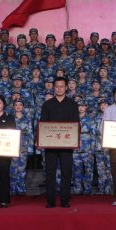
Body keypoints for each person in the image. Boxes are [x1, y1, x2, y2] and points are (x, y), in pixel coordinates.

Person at [39, 76, 79, 208]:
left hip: (67, 145)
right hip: (50, 144)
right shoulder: (47, 104)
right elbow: (43, 124)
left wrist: (75, 140)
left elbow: (76, 124)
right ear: (53, 87)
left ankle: (65, 200)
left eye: (62, 86)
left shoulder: (72, 104)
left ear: (66, 87)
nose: (59, 89)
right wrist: (39, 139)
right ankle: (50, 201)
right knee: (50, 172)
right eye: (57, 86)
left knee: (66, 172)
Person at [72, 98, 96, 196]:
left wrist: (92, 151)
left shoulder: (90, 120)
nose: (81, 108)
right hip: (75, 151)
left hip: (87, 151)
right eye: (79, 106)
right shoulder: (72, 119)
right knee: (76, 172)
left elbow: (93, 136)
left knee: (88, 172)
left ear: (86, 107)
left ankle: (87, 191)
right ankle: (77, 190)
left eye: (82, 106)